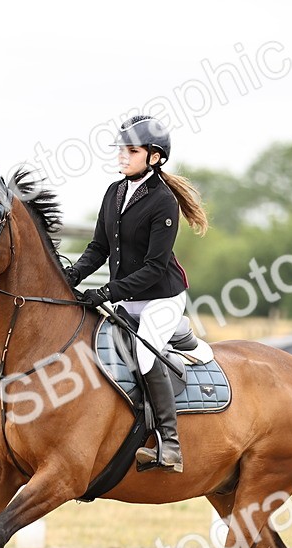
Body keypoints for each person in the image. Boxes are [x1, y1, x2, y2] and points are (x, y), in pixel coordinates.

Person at [64, 115, 209, 473]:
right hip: (128, 298)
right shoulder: (114, 192)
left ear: (154, 157)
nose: (122, 156)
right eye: (122, 149)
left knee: (145, 356)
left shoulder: (163, 201)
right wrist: (72, 275)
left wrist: (106, 291)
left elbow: (154, 268)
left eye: (131, 151)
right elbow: (98, 248)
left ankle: (170, 445)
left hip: (162, 299)